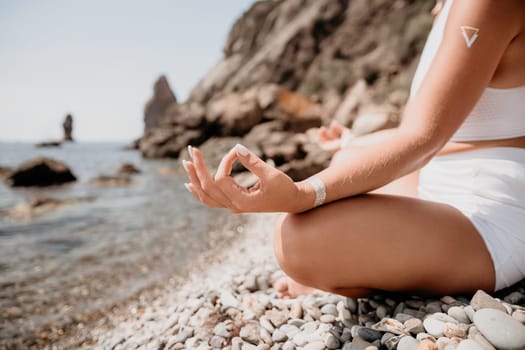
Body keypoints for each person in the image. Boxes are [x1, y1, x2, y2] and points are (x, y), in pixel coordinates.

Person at [182, 0, 525, 299]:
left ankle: (366, 274)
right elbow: (459, 131)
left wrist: (302, 193)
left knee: (298, 241)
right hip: (444, 179)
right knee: (346, 161)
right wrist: (353, 143)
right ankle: (364, 268)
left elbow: (423, 138)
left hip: (494, 213)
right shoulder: (448, 6)